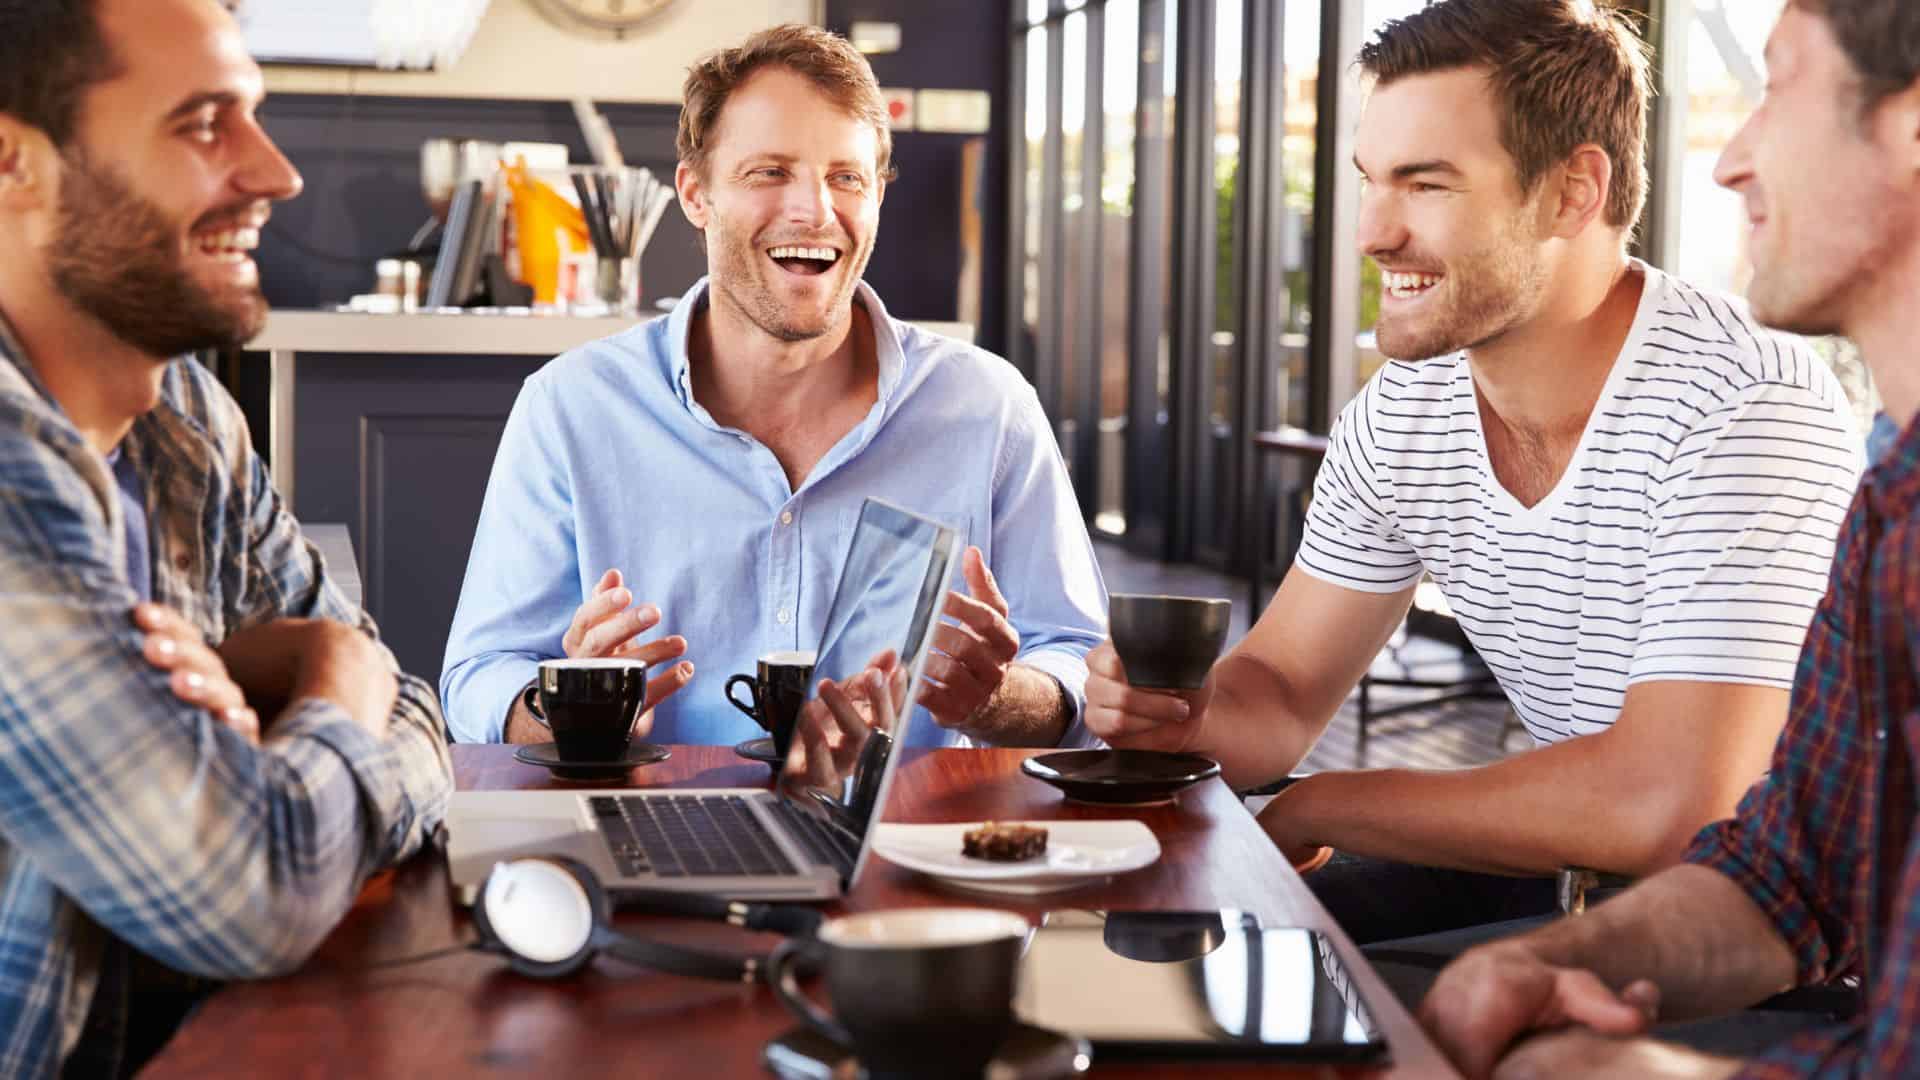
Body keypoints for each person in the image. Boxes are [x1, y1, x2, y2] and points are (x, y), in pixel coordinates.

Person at [1083, 0, 1865, 946]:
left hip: (1802, 935)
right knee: (1159, 944)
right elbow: (1280, 693)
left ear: (1573, 192)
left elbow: (1675, 806)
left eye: (1427, 185)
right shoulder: (1405, 414)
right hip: (1577, 873)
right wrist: (1183, 716)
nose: (1372, 233)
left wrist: (1317, 806)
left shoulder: (1743, 407)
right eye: (1372, 181)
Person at [1419, 1, 1920, 1075]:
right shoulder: (1894, 502)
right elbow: (1794, 875)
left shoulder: (1757, 407)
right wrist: (1565, 961)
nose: (1731, 161)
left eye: (1779, 87)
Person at [0, 0, 454, 1074]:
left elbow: (422, 717)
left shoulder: (186, 419)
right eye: (205, 124)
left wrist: (302, 699)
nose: (277, 174)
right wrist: (330, 678)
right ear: (14, 163)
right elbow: (251, 890)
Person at [441, 25, 1106, 752]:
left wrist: (997, 699)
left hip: (907, 848)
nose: (814, 210)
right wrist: (566, 706)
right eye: (770, 173)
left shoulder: (989, 408)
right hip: (656, 832)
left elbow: (1076, 663)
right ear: (696, 194)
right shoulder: (570, 407)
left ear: (877, 194)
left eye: (846, 177)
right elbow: (479, 676)